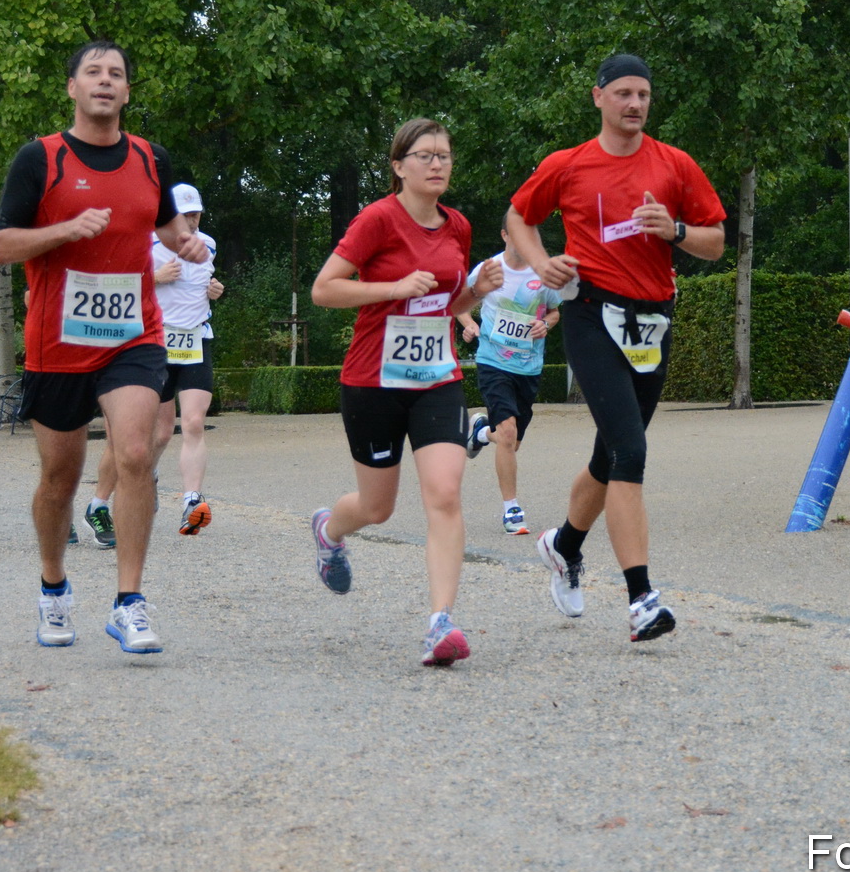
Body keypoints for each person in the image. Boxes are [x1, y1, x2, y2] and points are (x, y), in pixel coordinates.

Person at [0, 40, 209, 655]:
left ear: (127, 91)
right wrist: (64, 229)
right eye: (94, 73)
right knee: (60, 477)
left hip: (133, 335)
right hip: (57, 342)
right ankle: (54, 588)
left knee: (137, 452)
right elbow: (2, 246)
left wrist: (184, 244)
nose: (106, 82)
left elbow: (162, 224)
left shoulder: (150, 158)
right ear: (72, 88)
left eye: (117, 74)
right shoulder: (40, 159)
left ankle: (129, 601)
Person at [506, 54, 726, 643]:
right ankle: (641, 600)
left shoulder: (674, 165)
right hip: (589, 313)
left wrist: (675, 231)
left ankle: (563, 545)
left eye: (644, 95)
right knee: (630, 452)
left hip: (654, 320)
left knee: (612, 454)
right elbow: (519, 215)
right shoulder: (569, 164)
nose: (634, 104)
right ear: (598, 97)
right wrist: (540, 261)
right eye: (624, 93)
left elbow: (716, 242)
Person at [308, 117, 502, 667]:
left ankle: (441, 622)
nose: (437, 163)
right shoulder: (377, 220)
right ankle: (328, 529)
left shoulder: (458, 226)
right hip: (373, 381)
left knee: (444, 492)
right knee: (377, 507)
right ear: (398, 166)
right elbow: (324, 289)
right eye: (424, 155)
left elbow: (447, 306)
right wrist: (392, 286)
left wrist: (475, 292)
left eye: (444, 154)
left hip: (436, 378)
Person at [83, 183, 224, 547]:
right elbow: (110, 289)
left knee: (192, 422)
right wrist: (154, 278)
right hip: (150, 343)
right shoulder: (141, 244)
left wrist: (214, 291)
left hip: (195, 339)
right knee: (146, 436)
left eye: (196, 214)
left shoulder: (207, 245)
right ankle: (99, 503)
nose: (191, 222)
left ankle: (192, 499)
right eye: (185, 214)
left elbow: (199, 288)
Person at [457, 216, 564, 535]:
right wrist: (469, 325)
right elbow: (460, 302)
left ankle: (478, 433)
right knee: (506, 434)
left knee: (510, 442)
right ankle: (511, 510)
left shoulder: (543, 274)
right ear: (504, 233)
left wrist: (547, 324)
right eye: (518, 232)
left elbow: (555, 311)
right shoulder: (489, 270)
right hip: (493, 362)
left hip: (528, 367)